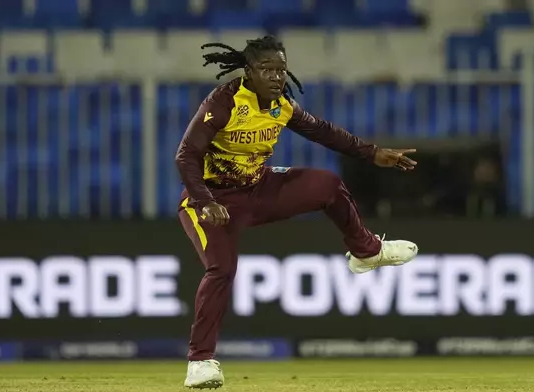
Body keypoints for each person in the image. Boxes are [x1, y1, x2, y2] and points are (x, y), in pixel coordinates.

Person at [175, 35, 419, 389]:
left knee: (328, 185)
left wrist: (372, 152)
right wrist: (204, 201)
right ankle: (200, 362)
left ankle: (367, 252)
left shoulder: (282, 106)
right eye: (266, 70)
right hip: (211, 201)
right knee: (222, 268)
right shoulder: (224, 103)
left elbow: (323, 132)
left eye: (281, 70)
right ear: (248, 71)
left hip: (257, 190)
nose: (276, 77)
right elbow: (186, 155)